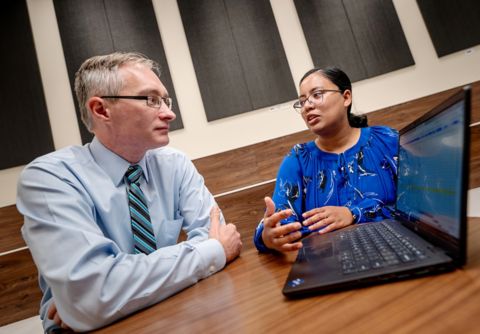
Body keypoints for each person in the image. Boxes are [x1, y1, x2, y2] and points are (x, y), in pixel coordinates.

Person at [17, 52, 242, 332]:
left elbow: (219, 238)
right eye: (151, 99)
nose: (169, 113)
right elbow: (95, 297)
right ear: (101, 110)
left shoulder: (175, 164)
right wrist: (208, 253)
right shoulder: (49, 178)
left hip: (173, 315)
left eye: (165, 100)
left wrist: (111, 296)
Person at [254, 67, 398, 253]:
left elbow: (418, 206)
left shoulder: (386, 140)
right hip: (328, 264)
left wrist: (353, 214)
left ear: (346, 97)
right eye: (302, 101)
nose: (307, 106)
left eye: (317, 94)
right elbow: (281, 222)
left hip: (395, 248)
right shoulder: (298, 159)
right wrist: (268, 236)